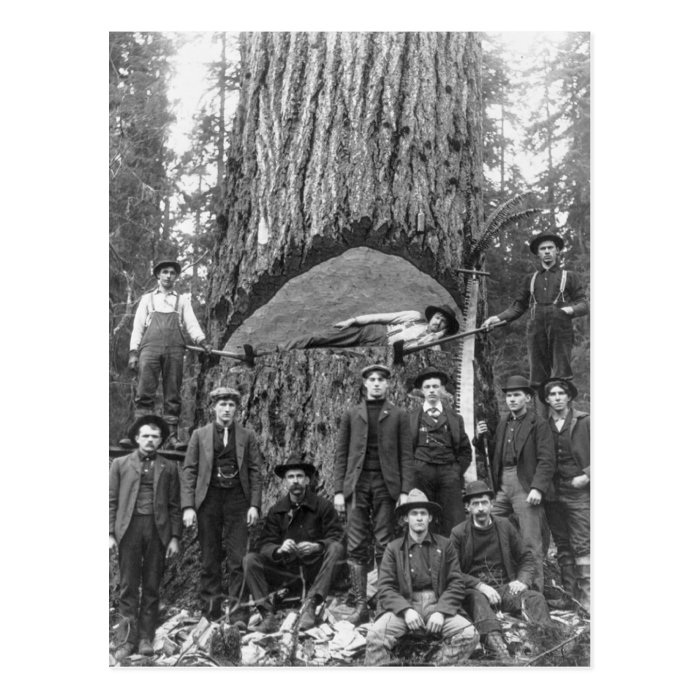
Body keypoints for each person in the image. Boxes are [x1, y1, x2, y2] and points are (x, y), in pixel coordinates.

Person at [333, 363, 413, 623]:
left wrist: (404, 491)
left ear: (388, 384)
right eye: (372, 379)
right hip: (357, 485)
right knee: (355, 543)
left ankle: (383, 601)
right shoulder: (351, 414)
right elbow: (341, 455)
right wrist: (338, 491)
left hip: (385, 486)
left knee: (385, 541)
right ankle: (360, 606)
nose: (377, 383)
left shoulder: (399, 415)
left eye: (381, 379)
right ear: (364, 384)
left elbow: (406, 456)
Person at [364, 489, 478, 666]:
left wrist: (441, 612)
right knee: (375, 635)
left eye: (423, 513)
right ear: (405, 518)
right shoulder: (393, 549)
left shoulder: (445, 545)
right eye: (414, 513)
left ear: (430, 518)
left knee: (469, 634)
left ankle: (432, 666)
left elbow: (456, 583)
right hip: (405, 606)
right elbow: (385, 588)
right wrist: (406, 610)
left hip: (437, 604)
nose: (419, 518)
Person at [180, 386, 263, 626]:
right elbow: (189, 472)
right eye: (222, 404)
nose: (227, 409)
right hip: (209, 500)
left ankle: (238, 615)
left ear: (237, 408)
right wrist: (188, 507)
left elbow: (256, 472)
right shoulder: (199, 435)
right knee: (209, 558)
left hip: (238, 500)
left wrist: (254, 505)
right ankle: (210, 612)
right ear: (213, 407)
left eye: (231, 405)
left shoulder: (247, 436)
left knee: (238, 559)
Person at [450, 481, 554, 662]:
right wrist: (480, 586)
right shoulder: (459, 533)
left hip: (505, 589)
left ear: (492, 504)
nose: (481, 508)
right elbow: (452, 571)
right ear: (468, 507)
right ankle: (500, 652)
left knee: (535, 598)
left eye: (484, 503)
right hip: (476, 593)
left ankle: (546, 645)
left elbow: (526, 558)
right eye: (475, 504)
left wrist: (522, 580)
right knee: (476, 598)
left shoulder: (504, 526)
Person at [242, 455, 345, 632]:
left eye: (299, 476)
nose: (295, 481)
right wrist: (279, 549)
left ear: (306, 480)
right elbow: (265, 544)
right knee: (249, 560)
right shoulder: (277, 511)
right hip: (286, 572)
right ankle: (267, 615)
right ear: (284, 482)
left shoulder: (323, 506)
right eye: (290, 477)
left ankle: (311, 605)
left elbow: (337, 536)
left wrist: (318, 546)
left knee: (336, 548)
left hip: (315, 570)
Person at [109, 415, 181, 661]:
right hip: (129, 529)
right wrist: (110, 533)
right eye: (146, 436)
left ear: (161, 440)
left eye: (155, 436)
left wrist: (174, 537)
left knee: (151, 585)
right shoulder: (120, 464)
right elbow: (111, 501)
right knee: (129, 585)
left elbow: (174, 505)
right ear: (137, 438)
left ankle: (145, 638)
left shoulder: (169, 467)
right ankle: (125, 639)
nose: (150, 440)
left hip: (157, 530)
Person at [474, 375, 555, 592]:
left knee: (530, 541)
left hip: (526, 485)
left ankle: (535, 590)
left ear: (527, 398)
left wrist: (538, 487)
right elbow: (494, 454)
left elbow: (547, 459)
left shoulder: (538, 424)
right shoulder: (503, 424)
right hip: (502, 484)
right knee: (491, 529)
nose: (512, 399)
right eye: (509, 396)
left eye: (517, 395)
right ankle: (499, 584)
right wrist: (480, 438)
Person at [124, 259, 213, 449]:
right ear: (158, 275)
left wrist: (202, 341)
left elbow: (191, 324)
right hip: (149, 348)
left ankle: (171, 437)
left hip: (174, 350)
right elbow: (138, 326)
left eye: (172, 273)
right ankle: (139, 435)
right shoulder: (148, 299)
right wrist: (133, 352)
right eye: (164, 272)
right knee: (144, 392)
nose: (168, 276)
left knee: (172, 393)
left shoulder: (182, 300)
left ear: (176, 277)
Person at [483, 233, 588, 391]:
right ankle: (541, 416)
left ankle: (563, 415)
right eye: (543, 249)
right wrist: (496, 319)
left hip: (561, 330)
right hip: (535, 330)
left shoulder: (569, 277)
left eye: (550, 248)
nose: (547, 251)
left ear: (557, 251)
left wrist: (570, 310)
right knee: (537, 378)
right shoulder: (530, 279)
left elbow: (584, 304)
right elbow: (517, 307)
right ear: (538, 253)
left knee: (561, 376)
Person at [539, 378, 590, 612]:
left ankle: (589, 597)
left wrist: (588, 476)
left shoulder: (585, 421)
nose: (557, 398)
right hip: (552, 493)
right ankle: (570, 596)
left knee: (583, 544)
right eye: (553, 394)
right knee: (562, 544)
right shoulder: (543, 425)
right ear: (547, 399)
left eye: (561, 393)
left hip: (578, 491)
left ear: (569, 397)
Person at [405, 367, 472, 536]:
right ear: (421, 391)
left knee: (454, 521)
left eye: (436, 386)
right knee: (422, 517)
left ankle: (454, 559)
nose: (432, 390)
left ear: (442, 389)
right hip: (421, 475)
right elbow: (404, 451)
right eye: (427, 387)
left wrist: (456, 471)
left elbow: (465, 451)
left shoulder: (455, 419)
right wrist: (414, 469)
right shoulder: (411, 418)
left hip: (449, 475)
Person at [279, 304, 459, 351]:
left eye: (443, 322)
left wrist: (433, 339)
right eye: (437, 317)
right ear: (432, 316)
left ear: (445, 329)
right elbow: (382, 317)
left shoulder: (433, 347)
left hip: (384, 352)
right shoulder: (415, 316)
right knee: (321, 337)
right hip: (375, 332)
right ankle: (273, 350)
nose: (437, 322)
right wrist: (353, 320)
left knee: (334, 353)